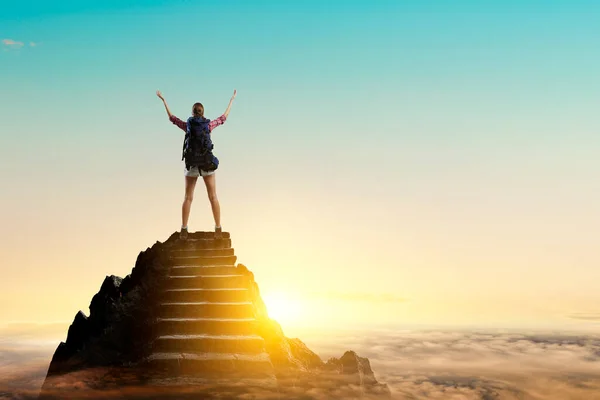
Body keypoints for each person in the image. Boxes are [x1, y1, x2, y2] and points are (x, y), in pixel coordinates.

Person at [156, 89, 237, 240]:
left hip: (192, 166)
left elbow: (172, 118)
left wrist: (163, 100)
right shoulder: (208, 126)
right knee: (213, 197)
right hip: (207, 164)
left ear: (193, 113)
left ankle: (184, 229)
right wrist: (232, 100)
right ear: (203, 113)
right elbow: (223, 118)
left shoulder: (188, 126)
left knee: (188, 197)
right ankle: (218, 228)